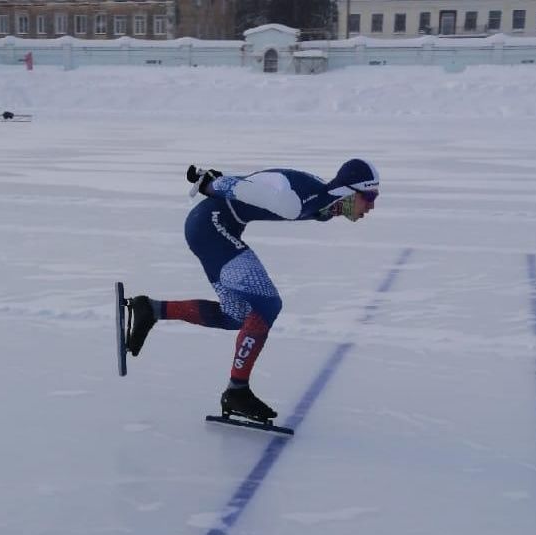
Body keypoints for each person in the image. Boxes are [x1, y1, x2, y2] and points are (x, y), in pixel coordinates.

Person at [126, 159, 380, 421]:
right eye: (369, 197)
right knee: (267, 304)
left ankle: (151, 309)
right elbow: (243, 189)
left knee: (236, 316)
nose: (372, 206)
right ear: (348, 192)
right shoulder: (296, 204)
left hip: (220, 227)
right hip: (210, 227)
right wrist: (209, 182)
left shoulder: (325, 204)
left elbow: (262, 183)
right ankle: (237, 391)